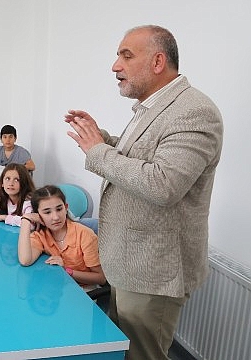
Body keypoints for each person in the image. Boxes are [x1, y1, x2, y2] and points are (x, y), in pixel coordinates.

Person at [65, 25, 223, 360]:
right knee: (122, 349)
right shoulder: (153, 107)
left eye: (126, 55)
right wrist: (101, 138)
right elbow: (137, 157)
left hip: (153, 271)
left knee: (142, 355)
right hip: (127, 262)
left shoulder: (194, 111)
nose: (115, 66)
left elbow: (163, 183)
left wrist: (98, 152)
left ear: (157, 62)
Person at [17, 185, 106, 290]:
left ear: (66, 207)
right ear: (38, 215)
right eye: (47, 212)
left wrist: (67, 270)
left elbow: (101, 278)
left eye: (59, 209)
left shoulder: (85, 235)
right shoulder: (41, 235)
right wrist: (26, 219)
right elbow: (25, 260)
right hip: (58, 286)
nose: (55, 217)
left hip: (83, 290)